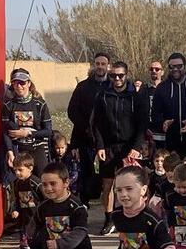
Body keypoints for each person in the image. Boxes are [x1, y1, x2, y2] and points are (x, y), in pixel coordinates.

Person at [92, 61, 149, 235]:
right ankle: (109, 219)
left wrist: (137, 146)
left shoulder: (135, 96)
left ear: (126, 75)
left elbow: (142, 123)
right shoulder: (103, 95)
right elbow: (96, 124)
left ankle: (135, 217)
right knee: (108, 184)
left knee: (132, 184)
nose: (117, 78)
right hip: (109, 147)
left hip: (129, 146)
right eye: (113, 75)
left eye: (120, 75)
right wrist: (100, 146)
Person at [67, 52, 111, 204]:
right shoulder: (83, 87)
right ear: (94, 65)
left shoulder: (112, 86)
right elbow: (72, 111)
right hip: (85, 138)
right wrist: (86, 127)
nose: (100, 67)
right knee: (85, 172)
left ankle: (106, 207)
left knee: (107, 175)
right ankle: (84, 205)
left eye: (103, 64)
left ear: (108, 66)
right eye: (97, 64)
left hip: (107, 140)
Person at [151, 52, 186, 157]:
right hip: (171, 142)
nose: (175, 69)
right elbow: (155, 114)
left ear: (184, 66)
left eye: (179, 66)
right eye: (172, 67)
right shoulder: (162, 88)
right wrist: (163, 122)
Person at [2, 68, 53, 177]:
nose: (19, 86)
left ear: (29, 83)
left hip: (37, 149)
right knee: (21, 186)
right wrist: (10, 152)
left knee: (43, 181)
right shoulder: (8, 105)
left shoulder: (39, 104)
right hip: (19, 150)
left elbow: (48, 131)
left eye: (22, 83)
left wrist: (28, 133)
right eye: (15, 83)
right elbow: (5, 131)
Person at [10, 153, 44, 249]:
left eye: (20, 170)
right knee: (31, 240)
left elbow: (45, 197)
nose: (17, 173)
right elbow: (16, 199)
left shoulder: (35, 182)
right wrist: (15, 209)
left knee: (39, 239)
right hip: (25, 215)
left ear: (30, 168)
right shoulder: (17, 183)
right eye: (15, 170)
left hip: (37, 216)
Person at [51, 131, 80, 197]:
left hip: (72, 182)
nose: (60, 150)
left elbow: (75, 173)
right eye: (57, 148)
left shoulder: (71, 157)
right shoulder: (54, 158)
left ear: (66, 147)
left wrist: (68, 182)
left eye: (62, 148)